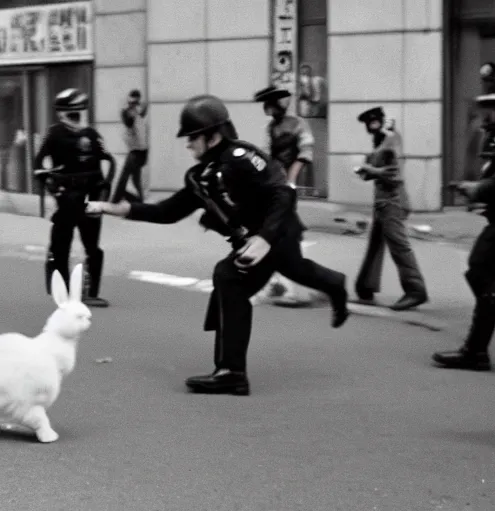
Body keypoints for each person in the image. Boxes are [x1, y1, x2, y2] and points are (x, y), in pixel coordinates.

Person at [86, 94, 350, 395]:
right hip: (257, 240)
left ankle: (232, 372)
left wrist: (265, 238)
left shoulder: (242, 157)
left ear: (212, 136)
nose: (188, 145)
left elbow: (282, 194)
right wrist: (116, 209)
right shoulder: (201, 176)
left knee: (230, 278)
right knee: (295, 269)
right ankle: (336, 285)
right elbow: (167, 212)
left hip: (276, 232)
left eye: (192, 138)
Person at [433, 79, 495, 370]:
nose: (487, 118)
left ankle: (476, 351)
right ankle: (476, 351)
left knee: (481, 271)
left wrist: (476, 189)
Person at [34, 88, 115, 308]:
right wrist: (55, 190)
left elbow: (107, 163)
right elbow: (38, 166)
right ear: (62, 113)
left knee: (92, 246)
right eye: (74, 113)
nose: (79, 117)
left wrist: (102, 192)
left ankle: (90, 291)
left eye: (81, 112)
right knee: (60, 245)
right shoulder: (54, 134)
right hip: (66, 197)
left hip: (90, 197)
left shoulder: (92, 135)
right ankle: (63, 290)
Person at [353, 107, 428, 311]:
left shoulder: (391, 139)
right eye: (369, 123)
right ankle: (365, 288)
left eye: (374, 121)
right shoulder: (379, 142)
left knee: (399, 246)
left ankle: (416, 290)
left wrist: (369, 170)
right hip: (382, 201)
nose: (371, 125)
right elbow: (377, 172)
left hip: (392, 200)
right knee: (375, 245)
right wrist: (366, 172)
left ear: (381, 121)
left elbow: (394, 174)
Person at [254, 85, 315, 303]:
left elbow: (306, 152)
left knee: (284, 231)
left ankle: (294, 287)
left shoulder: (298, 124)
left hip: (287, 186)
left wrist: (291, 180)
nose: (268, 110)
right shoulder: (270, 128)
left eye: (270, 105)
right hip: (275, 185)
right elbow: (267, 157)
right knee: (277, 231)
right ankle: (276, 282)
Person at [111, 89, 148, 203]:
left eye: (134, 102)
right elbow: (128, 119)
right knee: (135, 177)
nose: (132, 105)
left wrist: (132, 106)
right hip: (140, 150)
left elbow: (129, 121)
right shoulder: (133, 112)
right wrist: (132, 106)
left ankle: (115, 200)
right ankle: (140, 199)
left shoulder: (134, 113)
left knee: (124, 176)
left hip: (136, 151)